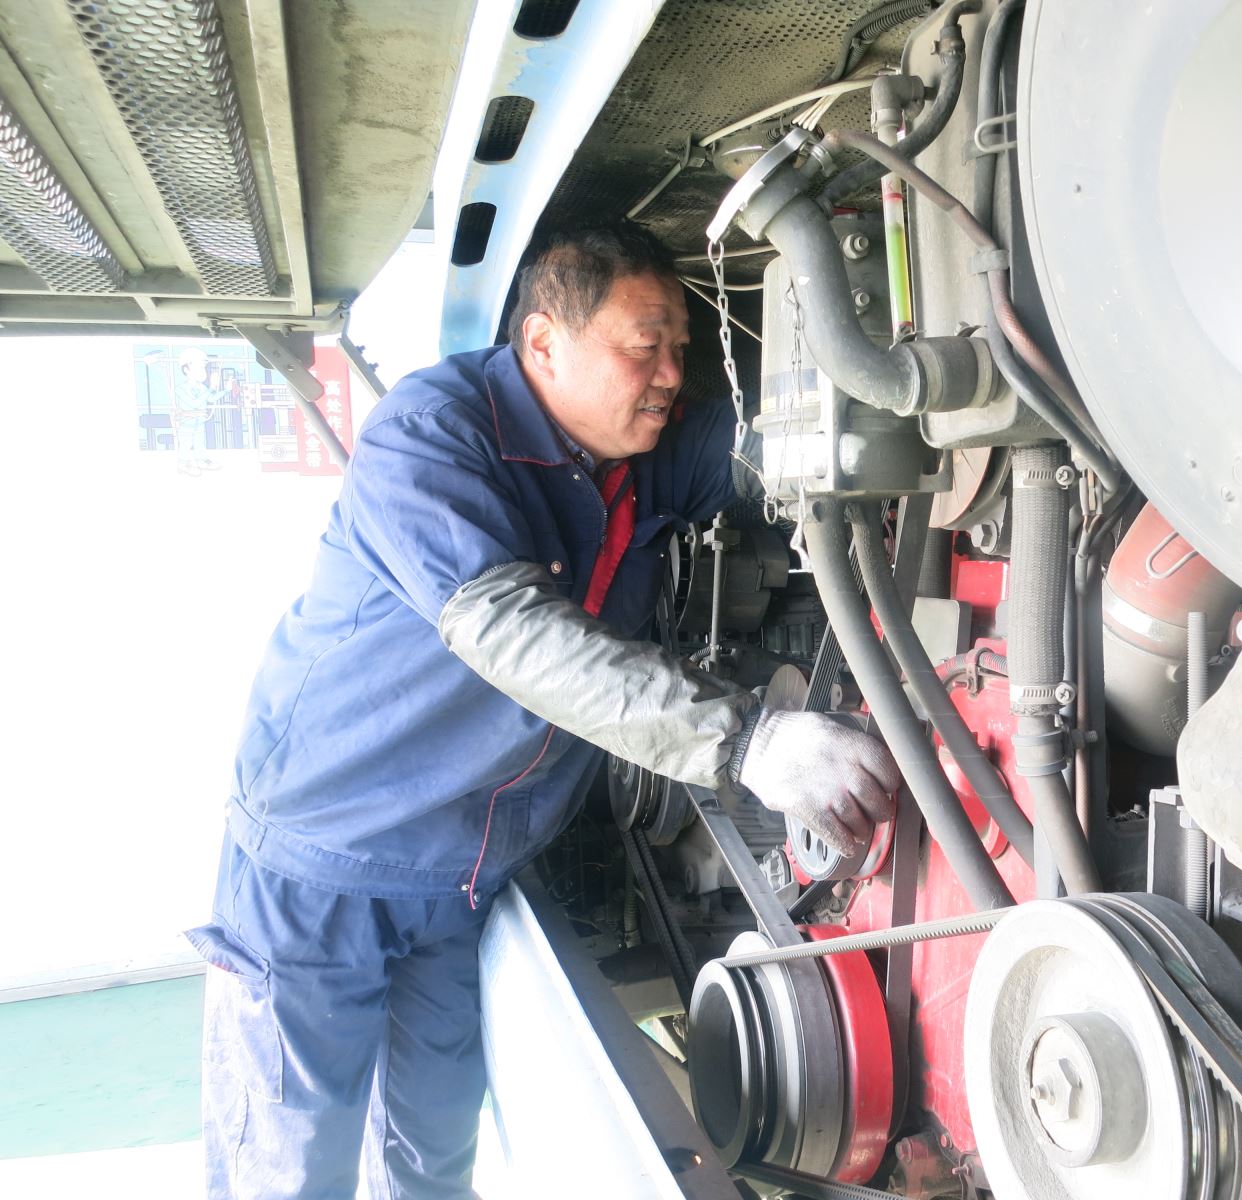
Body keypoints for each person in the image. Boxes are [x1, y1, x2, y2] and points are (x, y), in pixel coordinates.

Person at [186, 222, 900, 1199]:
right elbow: (511, 631)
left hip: (457, 883)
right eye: (643, 345)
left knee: (431, 1165)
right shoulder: (432, 435)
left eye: (680, 347)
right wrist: (747, 740)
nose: (670, 374)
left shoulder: (638, 451)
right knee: (288, 1172)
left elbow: (772, 446)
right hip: (323, 869)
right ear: (543, 343)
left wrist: (891, 410)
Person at [174, 348, 222, 474]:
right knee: (185, 445)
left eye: (203, 367)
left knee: (199, 444)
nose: (202, 371)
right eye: (199, 367)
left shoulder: (202, 387)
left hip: (199, 423)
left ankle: (201, 461)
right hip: (186, 424)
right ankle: (183, 464)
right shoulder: (180, 389)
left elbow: (211, 399)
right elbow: (194, 403)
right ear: (186, 369)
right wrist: (211, 387)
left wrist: (226, 390)